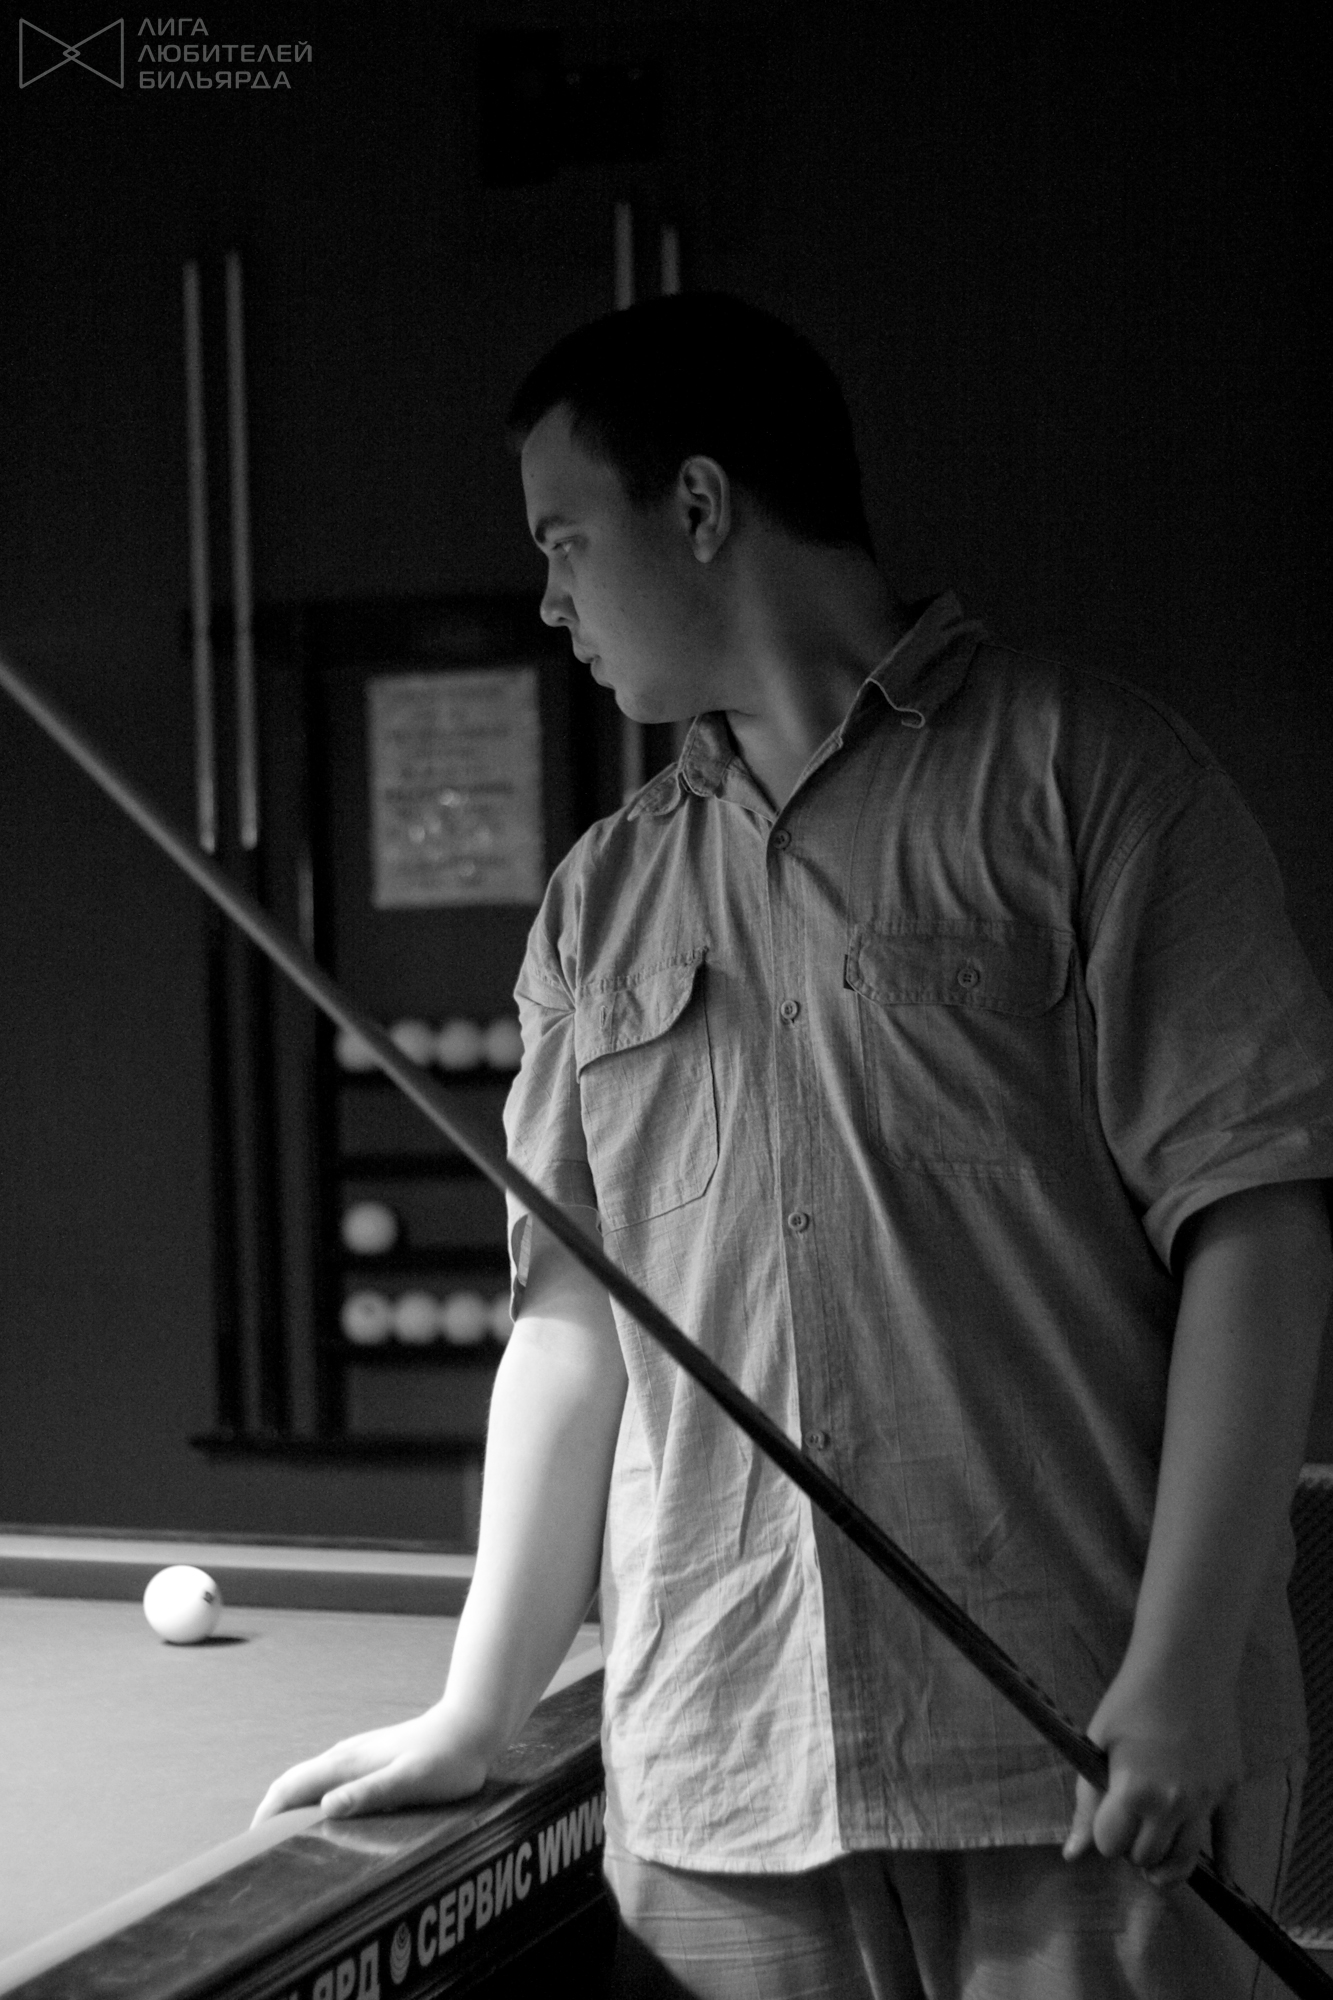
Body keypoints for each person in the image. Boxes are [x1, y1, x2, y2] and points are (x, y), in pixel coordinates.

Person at [255, 294, 1333, 1999]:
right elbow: (568, 1330)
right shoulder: (599, 900)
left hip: (1079, 1771)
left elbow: (1254, 1228)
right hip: (718, 1782)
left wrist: (1183, 1665)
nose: (547, 600)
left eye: (563, 540)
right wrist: (477, 1705)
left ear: (696, 507)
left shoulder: (1094, 780)